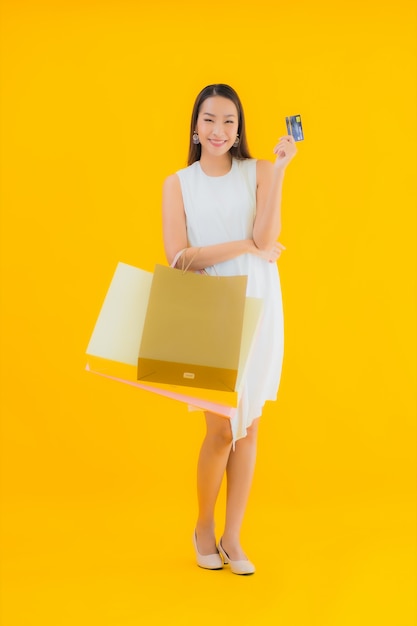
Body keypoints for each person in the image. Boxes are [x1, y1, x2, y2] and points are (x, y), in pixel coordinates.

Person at [162, 84, 297, 575]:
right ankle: (203, 525)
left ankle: (233, 536)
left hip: (259, 304)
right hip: (210, 309)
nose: (219, 131)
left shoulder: (258, 171)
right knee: (220, 430)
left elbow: (268, 237)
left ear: (239, 129)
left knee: (250, 428)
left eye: (228, 122)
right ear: (195, 127)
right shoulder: (179, 183)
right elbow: (178, 258)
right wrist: (243, 246)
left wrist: (279, 171)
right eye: (209, 120)